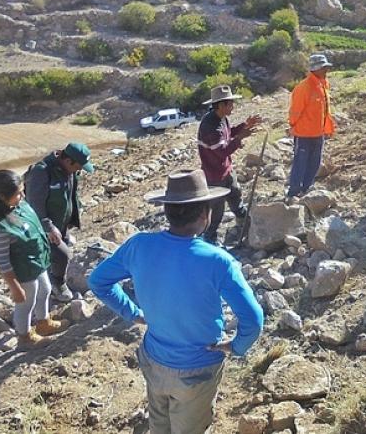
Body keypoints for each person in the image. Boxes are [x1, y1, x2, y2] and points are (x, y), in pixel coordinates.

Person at [88, 169, 264, 434]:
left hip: (153, 359)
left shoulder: (139, 246)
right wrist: (236, 347)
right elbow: (253, 319)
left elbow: (98, 281)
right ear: (205, 215)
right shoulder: (219, 261)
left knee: (159, 425)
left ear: (167, 211)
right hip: (198, 369)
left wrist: (132, 313)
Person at [0, 166, 69, 349]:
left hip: (37, 262)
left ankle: (43, 323)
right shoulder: (0, 229)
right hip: (22, 272)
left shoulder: (20, 206)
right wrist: (15, 287)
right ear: (2, 198)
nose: (23, 196)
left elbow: (34, 224)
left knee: (44, 289)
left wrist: (47, 230)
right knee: (25, 303)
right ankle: (24, 336)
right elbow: (3, 263)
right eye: (18, 193)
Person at [25, 142, 94, 302]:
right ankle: (58, 284)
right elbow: (35, 205)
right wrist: (48, 227)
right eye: (79, 166)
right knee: (63, 255)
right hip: (43, 227)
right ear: (68, 160)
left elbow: (71, 194)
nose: (80, 170)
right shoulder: (42, 172)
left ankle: (50, 273)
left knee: (60, 250)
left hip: (61, 224)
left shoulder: (69, 171)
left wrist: (74, 214)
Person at [197, 85, 262, 245]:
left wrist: (244, 126)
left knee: (235, 195)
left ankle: (244, 224)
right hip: (214, 175)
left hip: (225, 170)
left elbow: (229, 133)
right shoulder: (210, 126)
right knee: (217, 211)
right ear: (221, 105)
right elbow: (222, 151)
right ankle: (210, 239)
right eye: (230, 104)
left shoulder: (221, 118)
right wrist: (240, 138)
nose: (233, 107)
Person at [287, 54, 337, 199]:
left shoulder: (323, 85)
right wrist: (292, 126)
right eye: (324, 68)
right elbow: (295, 111)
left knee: (315, 163)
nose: (327, 70)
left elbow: (325, 109)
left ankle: (306, 188)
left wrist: (328, 127)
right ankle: (294, 192)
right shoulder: (304, 87)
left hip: (318, 133)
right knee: (300, 163)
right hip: (303, 134)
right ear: (316, 69)